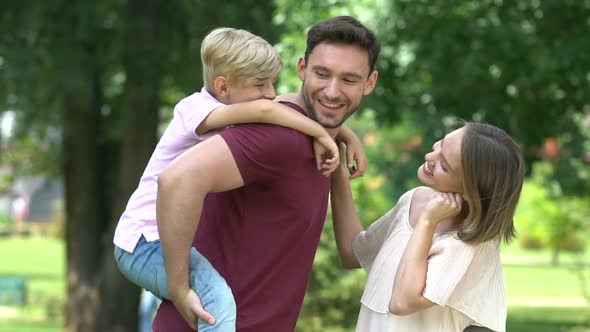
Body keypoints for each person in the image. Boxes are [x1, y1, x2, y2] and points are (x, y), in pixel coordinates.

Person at [113, 27, 366, 332]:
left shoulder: (250, 119)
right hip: (142, 239)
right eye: (322, 74)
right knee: (216, 296)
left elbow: (353, 253)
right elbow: (176, 179)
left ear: (370, 83)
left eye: (349, 79)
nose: (332, 91)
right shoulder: (257, 130)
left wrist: (340, 137)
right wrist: (179, 286)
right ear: (303, 69)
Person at [331, 122, 525, 332]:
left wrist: (427, 222)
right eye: (441, 144)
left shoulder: (471, 244)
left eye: (444, 164)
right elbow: (353, 253)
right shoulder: (415, 200)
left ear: (470, 193)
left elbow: (402, 302)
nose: (430, 158)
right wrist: (337, 168)